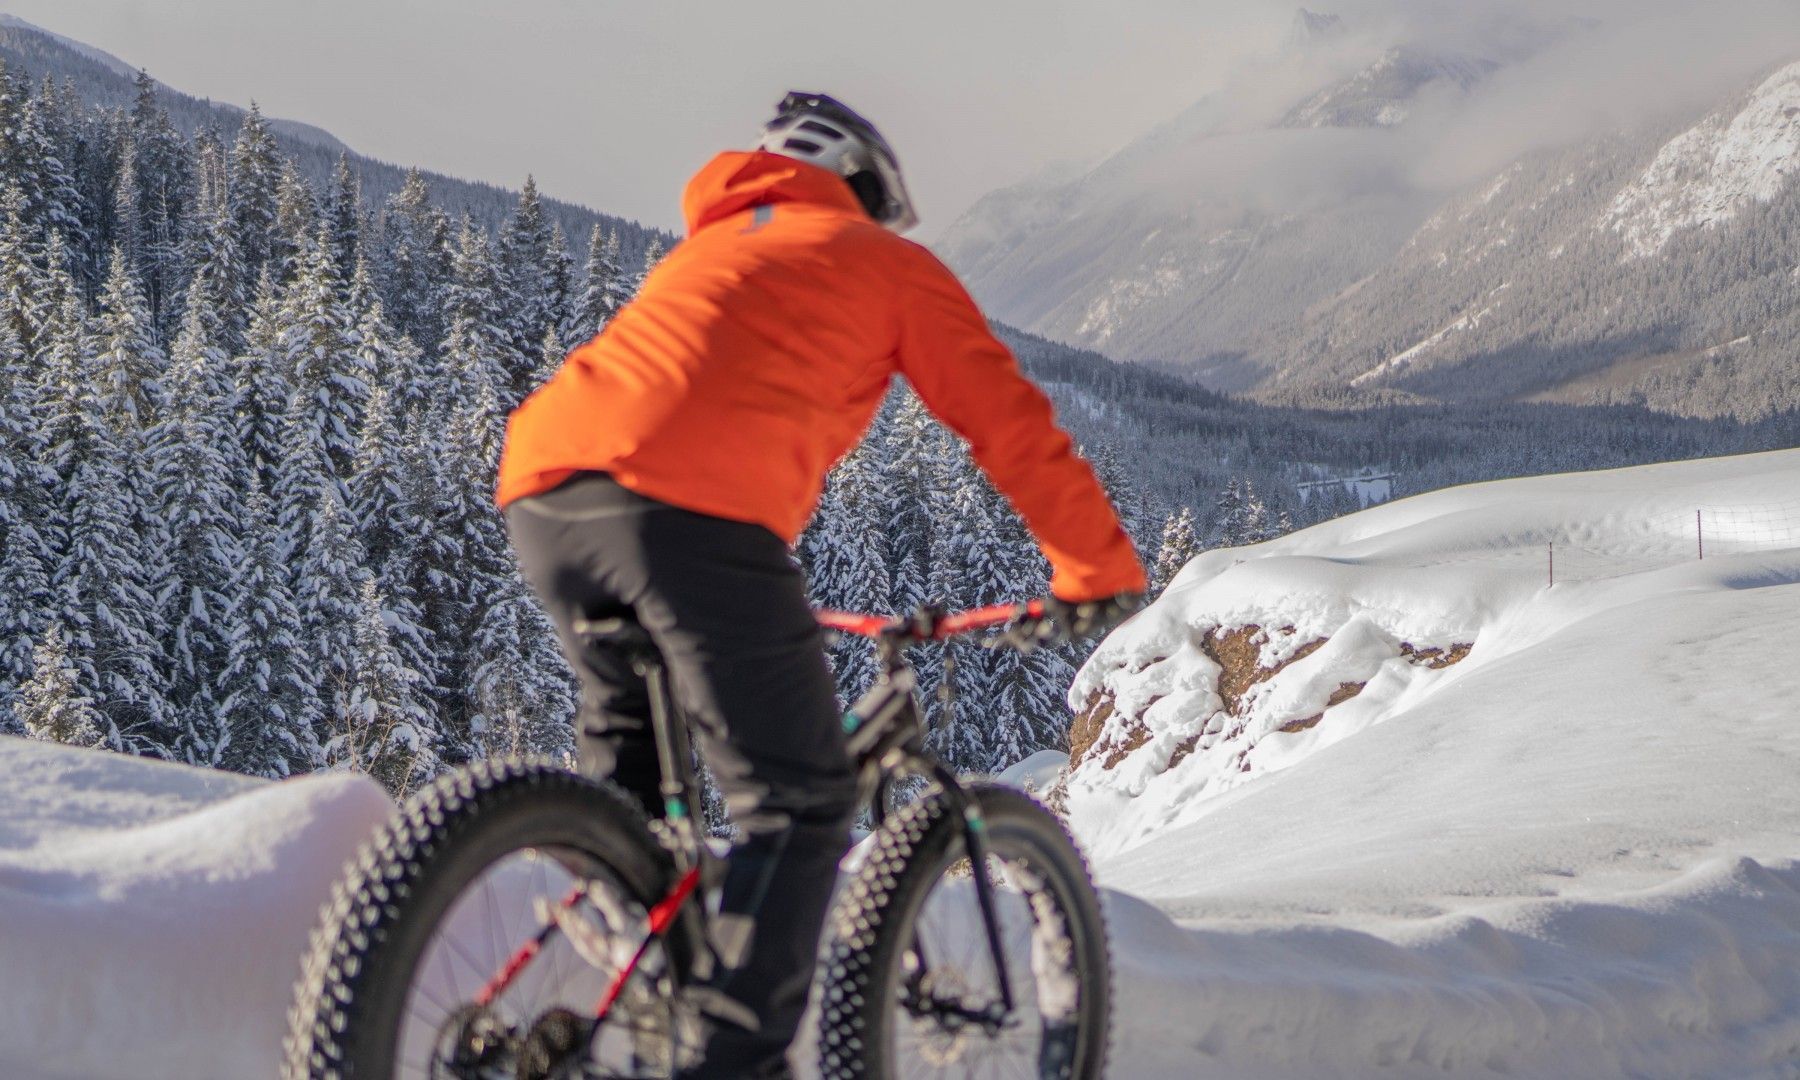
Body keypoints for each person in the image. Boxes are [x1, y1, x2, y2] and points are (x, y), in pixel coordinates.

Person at [497, 91, 1147, 1079]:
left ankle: (615, 1001)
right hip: (690, 513)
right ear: (863, 187)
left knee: (635, 788)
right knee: (797, 803)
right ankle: (725, 1062)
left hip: (543, 488)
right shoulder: (883, 263)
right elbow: (1007, 422)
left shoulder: (707, 251)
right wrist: (1096, 570)